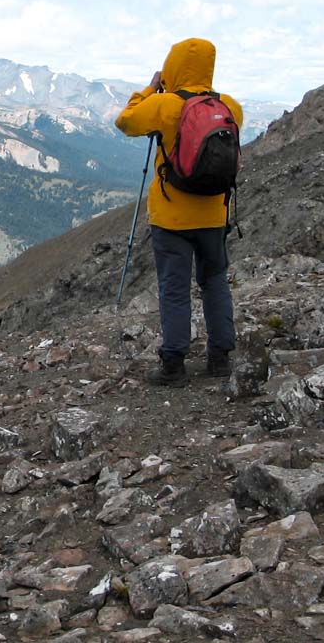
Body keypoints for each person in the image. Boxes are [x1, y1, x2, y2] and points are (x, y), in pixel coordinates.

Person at [114, 37, 244, 386]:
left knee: (174, 287)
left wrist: (150, 89)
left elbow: (125, 121)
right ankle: (220, 358)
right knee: (215, 282)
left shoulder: (167, 106)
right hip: (214, 215)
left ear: (174, 64)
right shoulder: (229, 107)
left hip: (171, 218)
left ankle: (173, 364)